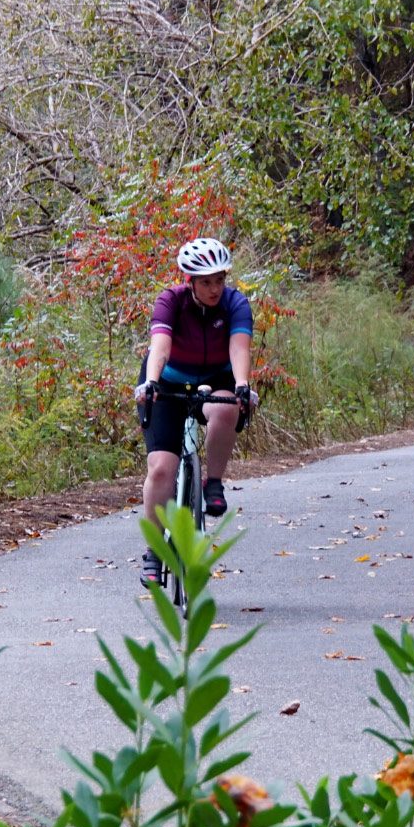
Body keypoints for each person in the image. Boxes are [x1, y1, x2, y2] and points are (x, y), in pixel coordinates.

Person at [132, 237, 257, 584]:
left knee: (228, 407)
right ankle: (154, 551)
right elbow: (160, 345)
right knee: (161, 469)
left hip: (215, 377)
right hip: (168, 381)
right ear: (190, 282)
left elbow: (239, 347)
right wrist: (153, 382)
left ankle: (213, 482)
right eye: (206, 282)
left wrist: (243, 384)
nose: (215, 288)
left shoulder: (235, 303)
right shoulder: (170, 301)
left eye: (220, 279)